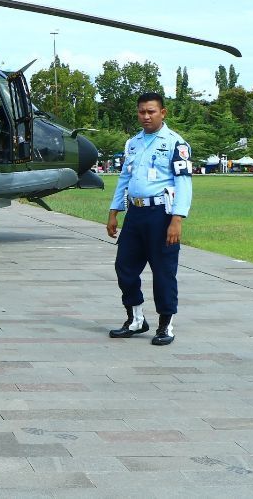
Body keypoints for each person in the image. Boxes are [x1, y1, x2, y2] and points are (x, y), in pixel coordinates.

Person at [106, 92, 193, 346]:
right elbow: (125, 178)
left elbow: (184, 183)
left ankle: (165, 324)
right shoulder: (133, 143)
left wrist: (177, 218)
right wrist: (114, 211)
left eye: (151, 111)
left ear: (163, 113)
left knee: (163, 271)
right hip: (135, 213)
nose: (146, 116)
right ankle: (135, 319)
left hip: (161, 215)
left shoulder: (176, 144)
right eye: (142, 111)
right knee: (124, 267)